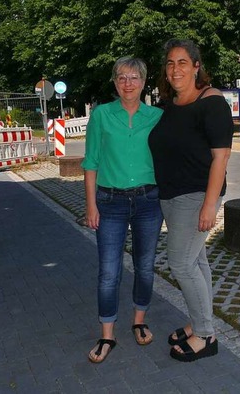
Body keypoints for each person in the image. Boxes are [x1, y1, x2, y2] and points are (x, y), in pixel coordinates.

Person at [148, 39, 233, 362]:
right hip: (170, 197)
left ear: (197, 66)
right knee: (197, 262)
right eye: (170, 63)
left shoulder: (211, 102)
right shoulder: (169, 106)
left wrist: (210, 205)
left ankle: (206, 335)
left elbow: (221, 156)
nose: (175, 69)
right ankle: (200, 322)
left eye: (183, 62)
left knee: (181, 264)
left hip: (196, 196)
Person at [82, 56, 163, 363]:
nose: (128, 83)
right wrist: (90, 204)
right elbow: (90, 162)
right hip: (110, 202)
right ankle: (107, 335)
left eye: (134, 78)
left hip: (148, 201)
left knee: (144, 266)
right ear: (115, 82)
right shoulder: (102, 114)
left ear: (144, 82)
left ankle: (139, 320)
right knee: (108, 272)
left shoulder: (156, 116)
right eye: (121, 78)